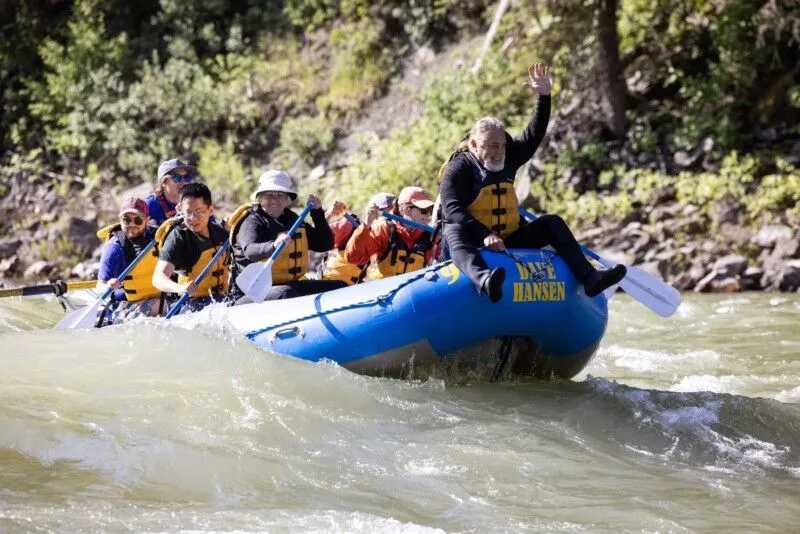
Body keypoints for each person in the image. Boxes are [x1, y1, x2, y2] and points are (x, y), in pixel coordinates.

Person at [437, 62, 626, 303]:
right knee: (453, 230)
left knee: (551, 223)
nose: (498, 152)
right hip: (472, 238)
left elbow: (534, 135)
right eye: (492, 146)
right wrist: (485, 235)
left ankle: (590, 278)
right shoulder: (459, 167)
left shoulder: (508, 156)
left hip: (507, 235)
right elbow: (452, 210)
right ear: (474, 145)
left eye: (502, 145)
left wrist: (544, 97)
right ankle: (484, 280)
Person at [229, 170, 347, 303]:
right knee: (286, 293)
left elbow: (324, 244)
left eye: (280, 194)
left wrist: (318, 213)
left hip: (289, 285)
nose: (274, 199)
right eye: (269, 195)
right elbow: (250, 251)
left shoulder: (291, 219)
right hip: (250, 293)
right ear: (260, 198)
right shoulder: (251, 221)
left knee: (339, 286)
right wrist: (274, 244)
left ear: (287, 199)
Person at [152, 183, 230, 311]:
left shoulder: (220, 232)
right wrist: (180, 288)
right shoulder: (178, 237)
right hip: (191, 304)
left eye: (199, 212)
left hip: (223, 298)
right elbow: (158, 279)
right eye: (188, 212)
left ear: (210, 210)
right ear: (181, 210)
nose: (192, 218)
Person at [96, 197, 163, 324]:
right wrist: (108, 286)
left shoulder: (158, 237)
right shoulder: (114, 247)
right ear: (120, 220)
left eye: (138, 220)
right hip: (125, 306)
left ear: (147, 221)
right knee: (161, 306)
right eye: (126, 219)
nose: (132, 224)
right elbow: (100, 286)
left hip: (162, 298)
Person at [344, 186, 436, 280]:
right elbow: (353, 257)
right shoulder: (383, 228)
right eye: (424, 211)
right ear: (407, 209)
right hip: (379, 291)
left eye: (430, 210)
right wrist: (366, 226)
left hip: (409, 292)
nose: (429, 215)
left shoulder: (430, 235)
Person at [322, 192, 397, 285]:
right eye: (388, 212)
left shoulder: (389, 235)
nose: (392, 218)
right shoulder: (348, 226)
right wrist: (329, 214)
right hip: (329, 284)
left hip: (356, 291)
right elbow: (319, 236)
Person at [146, 158, 194, 226]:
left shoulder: (196, 201)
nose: (183, 182)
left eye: (186, 177)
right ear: (163, 182)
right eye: (177, 177)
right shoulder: (150, 205)